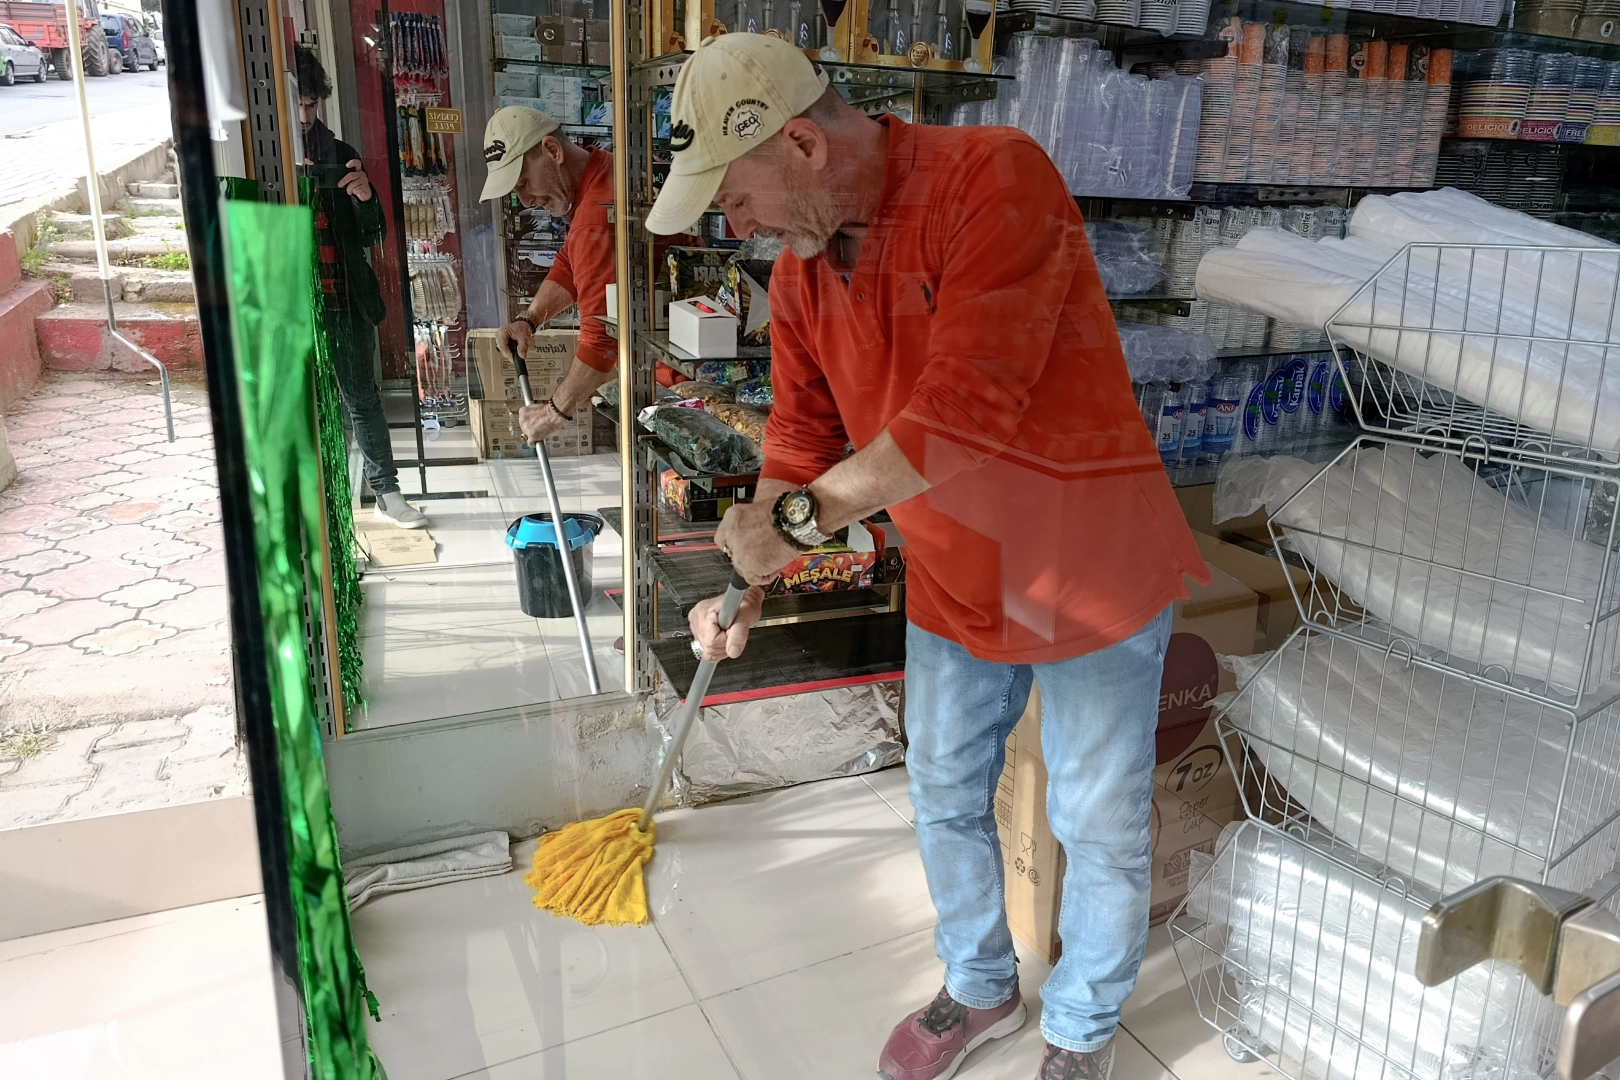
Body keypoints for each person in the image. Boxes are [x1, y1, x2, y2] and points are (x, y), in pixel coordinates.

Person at [648, 34, 1209, 1080]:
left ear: (802, 144)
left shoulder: (993, 178)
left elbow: (967, 410)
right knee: (945, 786)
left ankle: (1082, 1033)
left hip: (1086, 566)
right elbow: (800, 437)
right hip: (958, 572)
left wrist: (800, 521)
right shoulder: (803, 273)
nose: (740, 227)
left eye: (735, 199)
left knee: (1097, 821)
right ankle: (981, 984)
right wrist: (759, 553)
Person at [295, 46, 425, 529]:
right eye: (298, 105)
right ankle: (316, 501)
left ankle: (387, 492)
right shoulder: (266, 157)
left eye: (312, 105)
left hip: (345, 300)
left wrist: (366, 197)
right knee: (303, 405)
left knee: (363, 399)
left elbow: (374, 235)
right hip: (290, 305)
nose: (305, 116)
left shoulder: (340, 153)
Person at [480, 106, 621, 446]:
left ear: (553, 151)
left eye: (524, 183)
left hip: (673, 380)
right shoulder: (602, 171)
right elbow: (569, 264)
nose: (525, 200)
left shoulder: (596, 215)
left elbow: (601, 340)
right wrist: (528, 320)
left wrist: (553, 413)